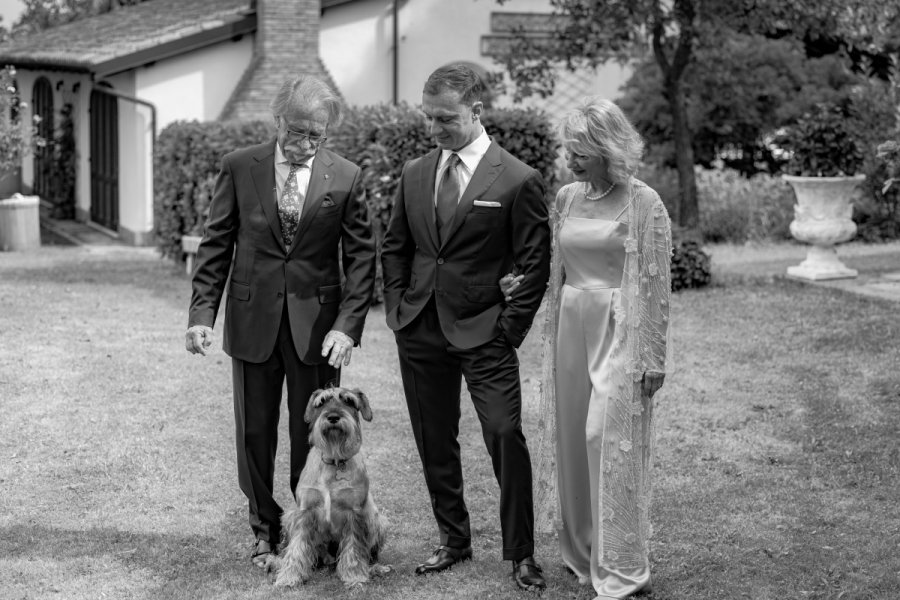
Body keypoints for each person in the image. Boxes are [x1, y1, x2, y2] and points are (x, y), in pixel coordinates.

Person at [185, 75, 376, 569]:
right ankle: (264, 530)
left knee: (310, 434)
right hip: (252, 322)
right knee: (255, 434)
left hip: (318, 330)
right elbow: (215, 244)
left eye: (316, 135)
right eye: (296, 132)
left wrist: (348, 325)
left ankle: (309, 528)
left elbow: (360, 260)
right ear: (277, 120)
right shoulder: (239, 167)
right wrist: (202, 314)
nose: (304, 144)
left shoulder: (347, 176)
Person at [380, 64, 551, 591]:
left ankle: (521, 552)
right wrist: (397, 310)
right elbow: (395, 247)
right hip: (420, 329)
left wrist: (506, 330)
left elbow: (534, 264)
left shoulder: (518, 179)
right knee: (435, 439)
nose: (434, 129)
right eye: (428, 117)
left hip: (486, 333)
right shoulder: (414, 172)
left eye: (445, 118)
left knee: (503, 433)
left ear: (476, 111)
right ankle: (453, 540)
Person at [500, 97, 672, 599]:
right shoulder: (566, 198)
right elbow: (555, 264)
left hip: (618, 328)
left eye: (583, 150)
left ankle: (621, 564)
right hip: (572, 326)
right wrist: (521, 283)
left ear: (610, 150)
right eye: (569, 148)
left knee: (604, 434)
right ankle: (583, 549)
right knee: (574, 437)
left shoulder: (645, 203)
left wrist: (653, 357)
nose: (571, 158)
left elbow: (657, 287)